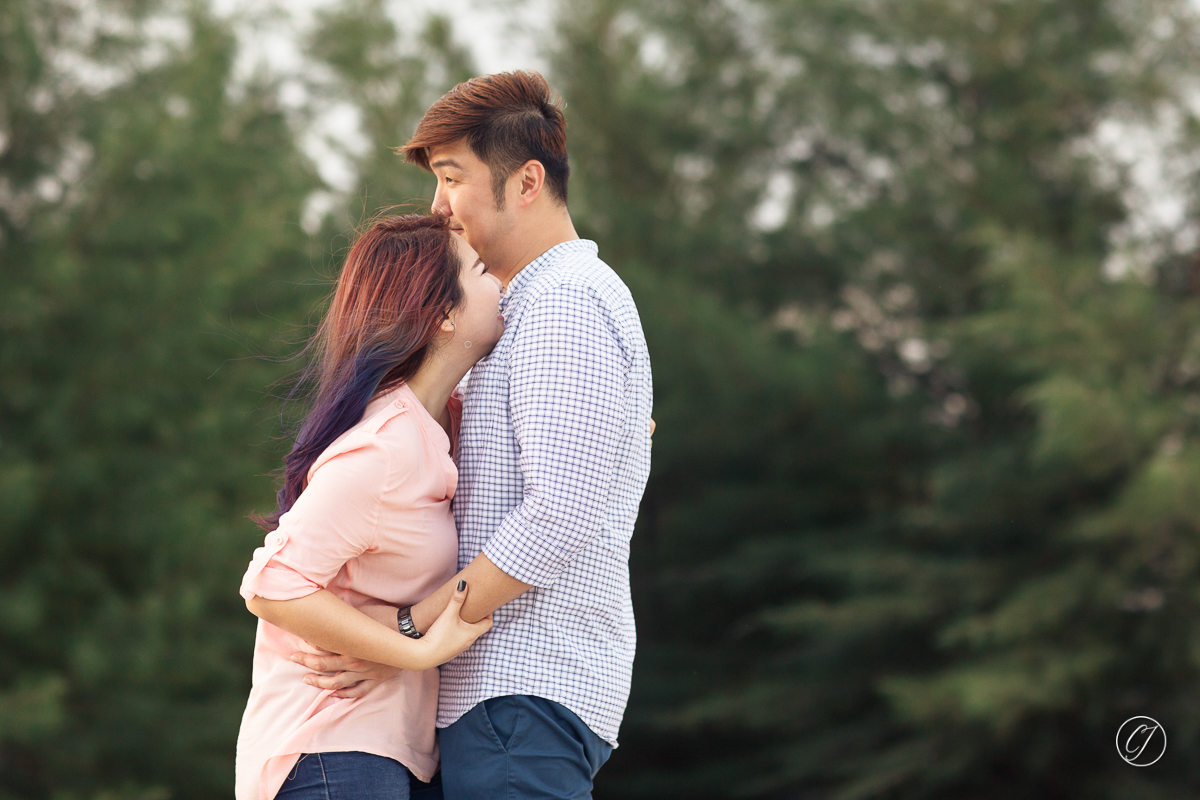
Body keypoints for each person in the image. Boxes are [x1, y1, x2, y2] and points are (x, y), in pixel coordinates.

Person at [293, 71, 654, 799]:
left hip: (522, 686)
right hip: (496, 697)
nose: (438, 206)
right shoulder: (518, 313)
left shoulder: (565, 305)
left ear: (526, 183)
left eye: (452, 177)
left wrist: (404, 634)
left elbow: (559, 515)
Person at [235, 213, 504, 800]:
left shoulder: (447, 420)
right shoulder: (386, 448)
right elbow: (271, 583)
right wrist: (418, 650)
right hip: (327, 745)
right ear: (444, 314)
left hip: (380, 751)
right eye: (482, 271)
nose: (501, 284)